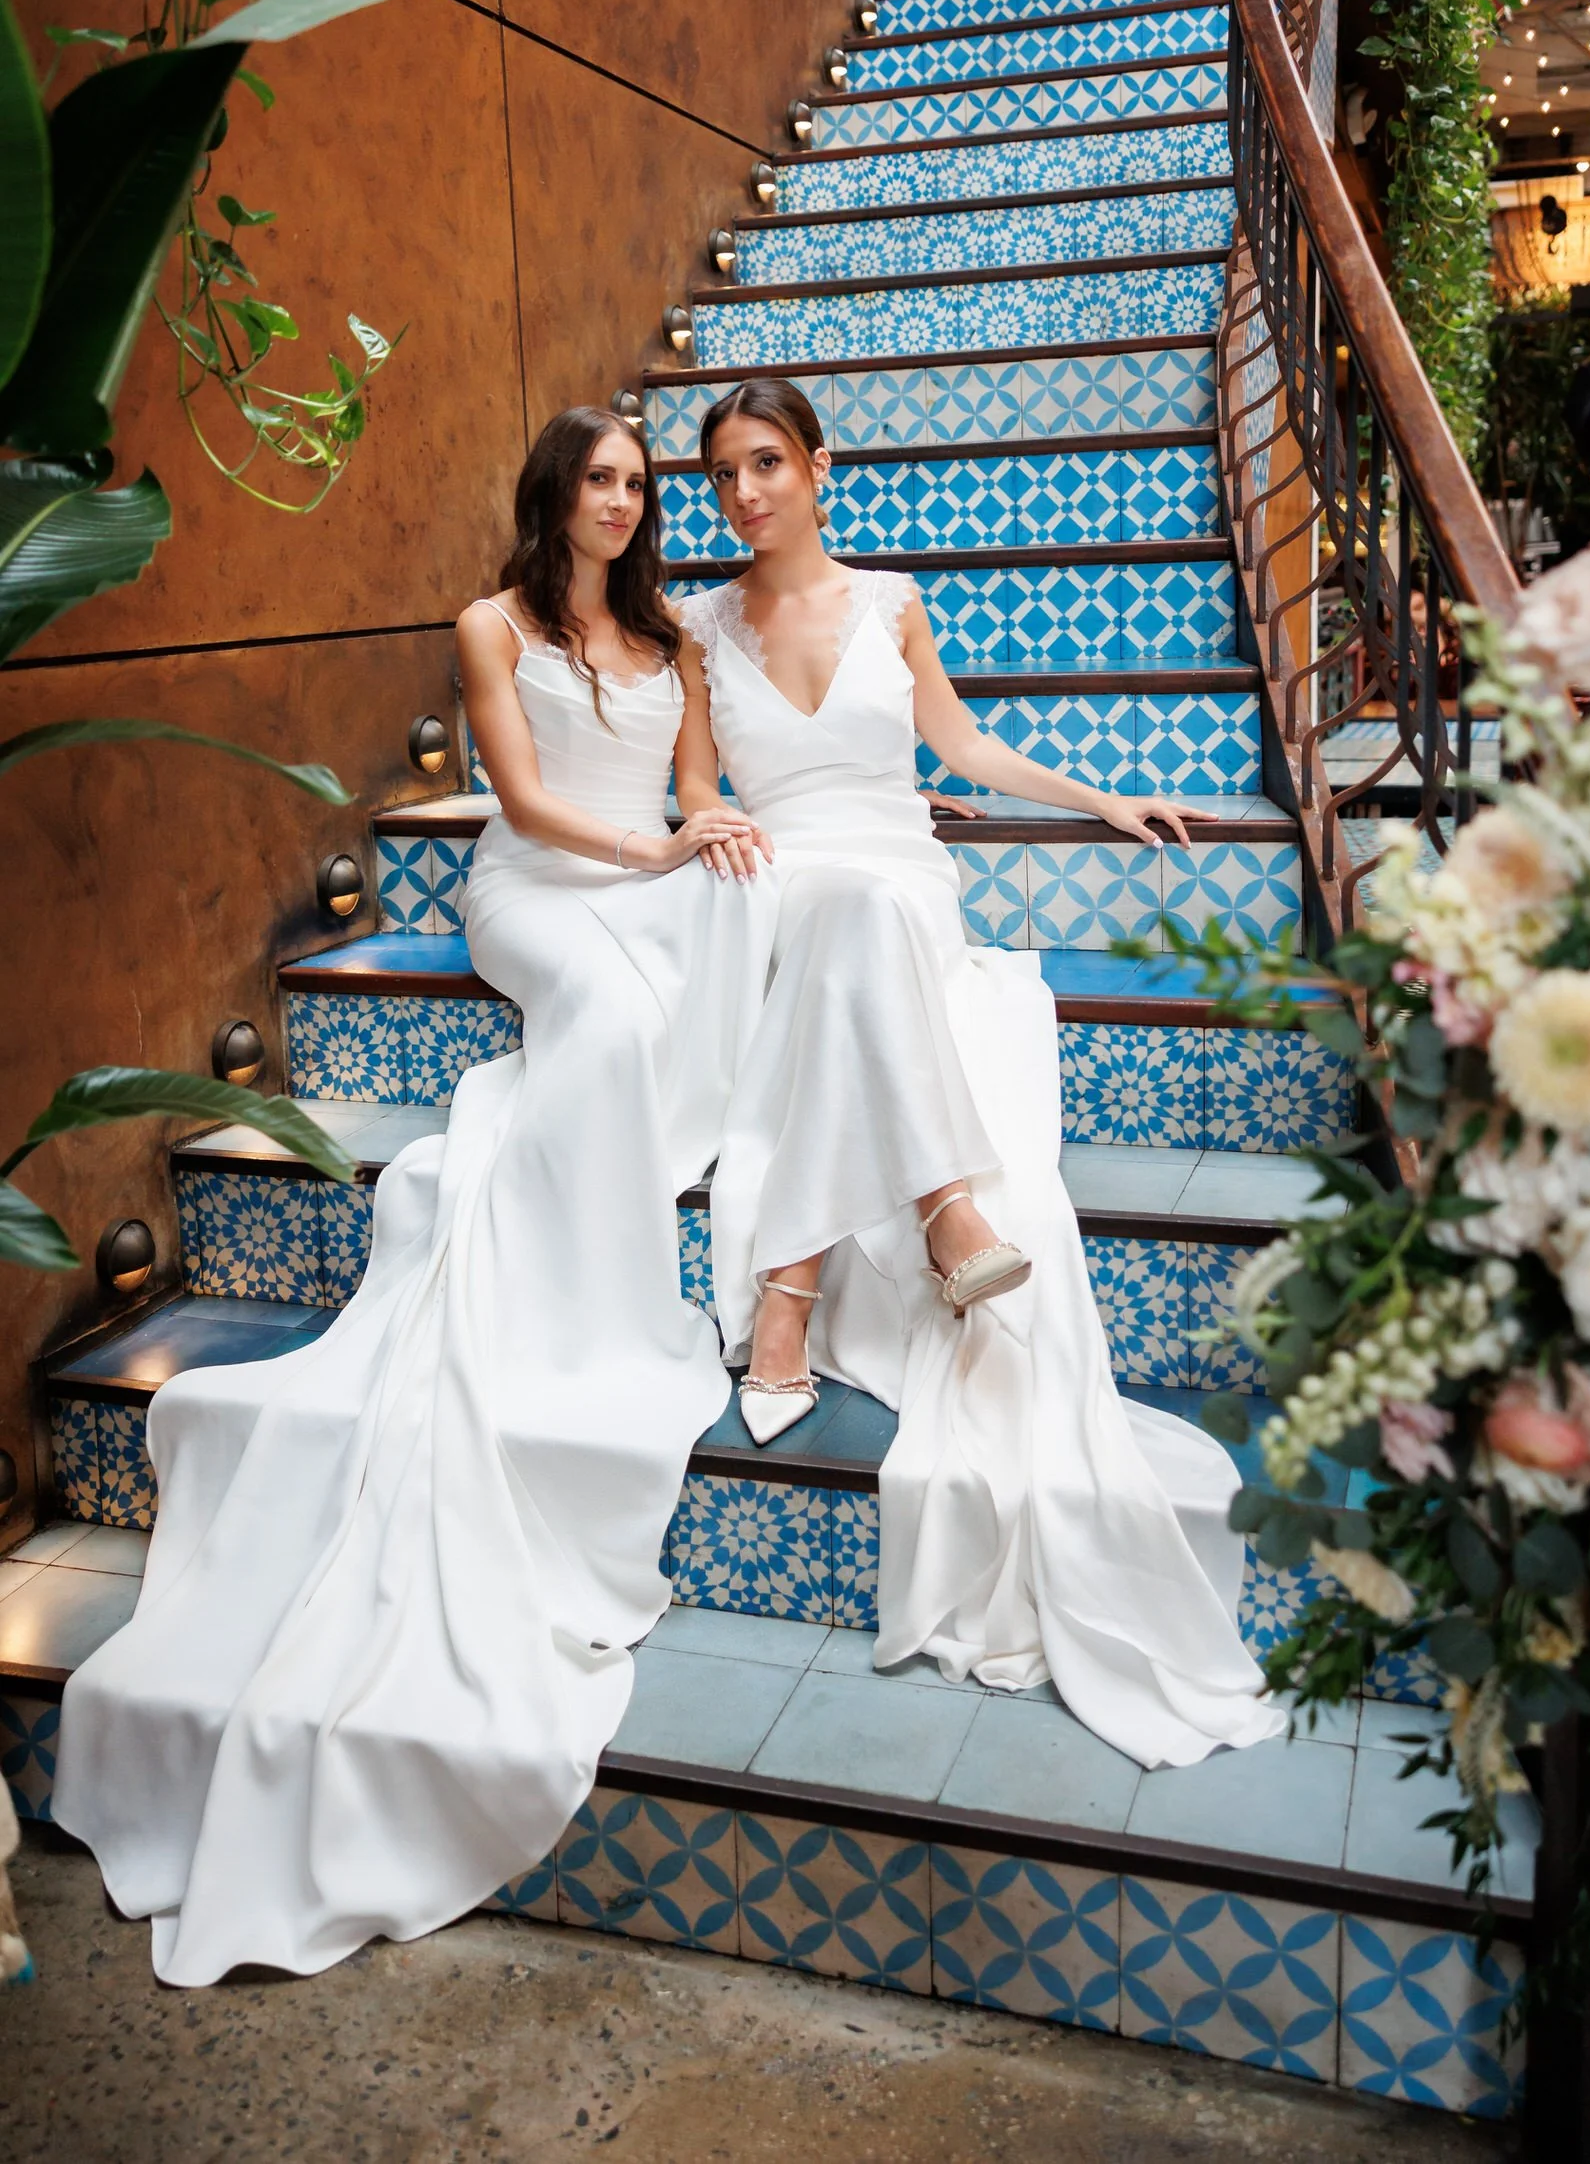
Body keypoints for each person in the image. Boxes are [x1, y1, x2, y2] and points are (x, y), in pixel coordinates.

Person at [53, 409, 778, 1985]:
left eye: (639, 483)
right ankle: (577, 1306)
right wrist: (654, 856)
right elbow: (520, 802)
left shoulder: (670, 636)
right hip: (541, 897)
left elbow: (696, 783)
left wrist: (709, 831)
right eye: (600, 478)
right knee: (606, 1020)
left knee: (757, 916)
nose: (623, 500)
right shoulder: (490, 625)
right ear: (553, 493)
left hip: (653, 881)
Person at [676, 381, 1286, 1770]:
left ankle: (791, 1293)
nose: (745, 494)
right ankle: (949, 1210)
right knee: (841, 917)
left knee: (874, 915)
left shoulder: (893, 602)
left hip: (896, 873)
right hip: (778, 880)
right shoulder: (700, 627)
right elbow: (700, 782)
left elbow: (962, 747)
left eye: (766, 463)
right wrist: (713, 825)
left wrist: (1100, 798)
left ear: (818, 465)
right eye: (722, 476)